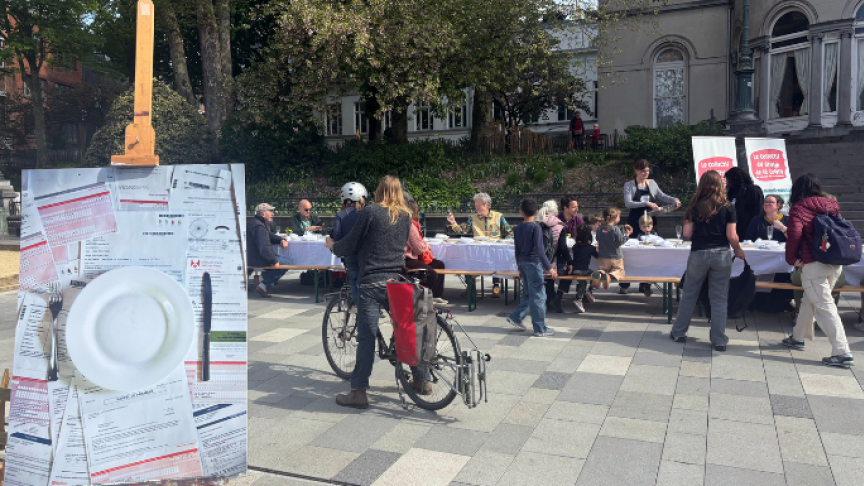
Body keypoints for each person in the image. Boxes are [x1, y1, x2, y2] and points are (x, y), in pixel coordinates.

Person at [326, 175, 415, 409]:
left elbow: (351, 243)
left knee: (366, 337)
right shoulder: (406, 216)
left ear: (379, 192)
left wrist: (333, 246)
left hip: (371, 282)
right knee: (406, 329)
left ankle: (358, 392)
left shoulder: (371, 213)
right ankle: (422, 379)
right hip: (396, 280)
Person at [781, 174, 854, 368]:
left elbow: (795, 234)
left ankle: (842, 351)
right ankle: (797, 337)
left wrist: (791, 259)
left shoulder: (799, 208)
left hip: (813, 263)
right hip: (834, 262)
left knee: (824, 306)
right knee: (810, 300)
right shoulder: (831, 205)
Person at [670, 170, 746, 352]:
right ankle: (719, 339)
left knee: (689, 294)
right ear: (720, 185)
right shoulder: (728, 207)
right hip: (721, 254)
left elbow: (687, 233)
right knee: (719, 298)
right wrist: (738, 249)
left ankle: (679, 332)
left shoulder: (694, 206)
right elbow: (731, 235)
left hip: (698, 253)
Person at [506, 199, 557, 337]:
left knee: (528, 295)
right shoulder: (536, 228)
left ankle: (516, 317)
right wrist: (550, 267)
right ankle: (540, 328)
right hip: (534, 264)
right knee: (539, 296)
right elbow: (540, 250)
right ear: (536, 212)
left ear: (521, 212)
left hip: (522, 263)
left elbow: (517, 249)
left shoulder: (517, 228)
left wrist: (519, 268)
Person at [447, 192, 512, 296]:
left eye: (478, 205)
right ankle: (471, 287)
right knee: (467, 258)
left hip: (494, 249)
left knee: (497, 256)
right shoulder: (473, 218)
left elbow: (509, 233)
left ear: (487, 205)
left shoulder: (498, 217)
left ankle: (496, 286)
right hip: (479, 250)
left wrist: (502, 243)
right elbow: (463, 231)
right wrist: (453, 222)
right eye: (475, 206)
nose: (476, 208)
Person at [623, 159, 681, 239]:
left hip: (651, 220)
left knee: (654, 242)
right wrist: (647, 203)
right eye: (643, 171)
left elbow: (662, 196)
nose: (646, 173)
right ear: (637, 171)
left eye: (647, 171)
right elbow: (628, 203)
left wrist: (675, 200)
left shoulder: (652, 183)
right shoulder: (629, 185)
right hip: (635, 220)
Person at [404, 200, 448, 304]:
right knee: (431, 273)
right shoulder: (410, 225)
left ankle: (436, 295)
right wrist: (426, 246)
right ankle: (424, 298)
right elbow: (418, 248)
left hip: (414, 256)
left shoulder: (413, 225)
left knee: (439, 265)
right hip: (407, 259)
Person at [332, 182, 368, 306]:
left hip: (350, 253)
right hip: (366, 253)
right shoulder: (366, 213)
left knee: (353, 278)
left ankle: (359, 307)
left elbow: (337, 235)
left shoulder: (341, 215)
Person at [247, 203, 291, 298]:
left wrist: (280, 239)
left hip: (254, 257)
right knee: (287, 263)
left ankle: (263, 280)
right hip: (256, 258)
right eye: (270, 211)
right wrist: (273, 261)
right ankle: (264, 285)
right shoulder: (258, 226)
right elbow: (263, 247)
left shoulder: (257, 223)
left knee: (283, 261)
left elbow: (270, 235)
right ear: (263, 214)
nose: (272, 214)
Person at [592, 207, 631, 290]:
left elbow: (597, 239)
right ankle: (609, 276)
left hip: (603, 256)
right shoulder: (615, 229)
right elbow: (620, 242)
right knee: (619, 271)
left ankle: (599, 274)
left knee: (603, 269)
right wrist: (627, 235)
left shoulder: (600, 229)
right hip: (615, 256)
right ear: (614, 218)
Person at [562, 224, 598, 313]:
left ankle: (579, 299)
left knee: (582, 282)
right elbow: (598, 256)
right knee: (597, 275)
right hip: (584, 270)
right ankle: (590, 290)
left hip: (574, 270)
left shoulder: (575, 247)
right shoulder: (590, 248)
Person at [539, 200, 566, 312]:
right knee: (569, 270)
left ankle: (547, 299)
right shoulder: (560, 226)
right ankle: (554, 298)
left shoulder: (536, 223)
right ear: (555, 212)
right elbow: (563, 248)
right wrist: (569, 262)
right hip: (552, 262)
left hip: (538, 261)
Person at [725, 167, 764, 241]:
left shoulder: (753, 190)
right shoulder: (731, 192)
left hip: (748, 228)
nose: (728, 183)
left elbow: (758, 210)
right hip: (734, 228)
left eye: (729, 180)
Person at [636, 213, 658, 297]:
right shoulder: (640, 235)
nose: (646, 229)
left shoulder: (654, 234)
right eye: (644, 227)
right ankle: (644, 285)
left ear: (652, 226)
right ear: (640, 227)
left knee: (651, 270)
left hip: (652, 257)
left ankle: (647, 286)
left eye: (648, 226)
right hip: (642, 256)